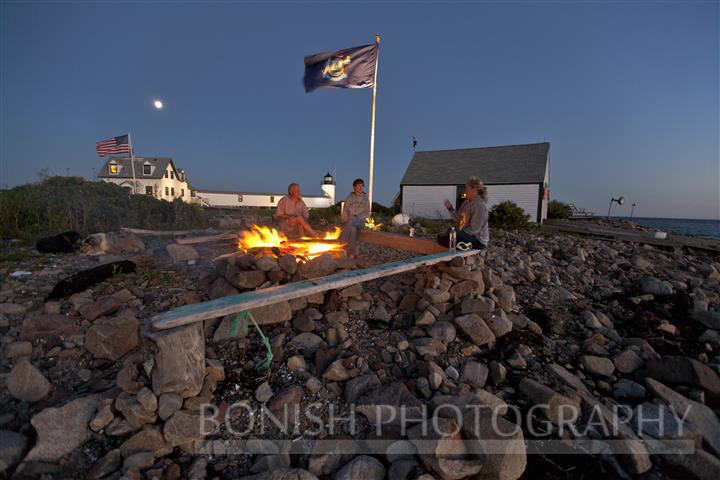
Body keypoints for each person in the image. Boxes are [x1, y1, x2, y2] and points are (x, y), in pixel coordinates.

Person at [438, 176, 489, 249]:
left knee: (451, 232)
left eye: (467, 188)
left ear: (474, 189)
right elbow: (458, 218)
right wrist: (450, 208)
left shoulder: (479, 205)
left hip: (478, 240)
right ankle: (462, 246)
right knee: (441, 238)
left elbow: (474, 230)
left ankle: (466, 245)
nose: (465, 190)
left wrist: (458, 233)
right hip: (466, 235)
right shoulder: (466, 203)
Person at [340, 178, 371, 257]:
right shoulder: (349, 197)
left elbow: (367, 213)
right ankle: (351, 253)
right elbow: (345, 210)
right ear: (354, 187)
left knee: (351, 221)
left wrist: (357, 217)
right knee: (353, 230)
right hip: (350, 222)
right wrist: (344, 219)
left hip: (360, 222)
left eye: (361, 186)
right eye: (358, 186)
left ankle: (341, 245)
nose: (360, 188)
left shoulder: (365, 198)